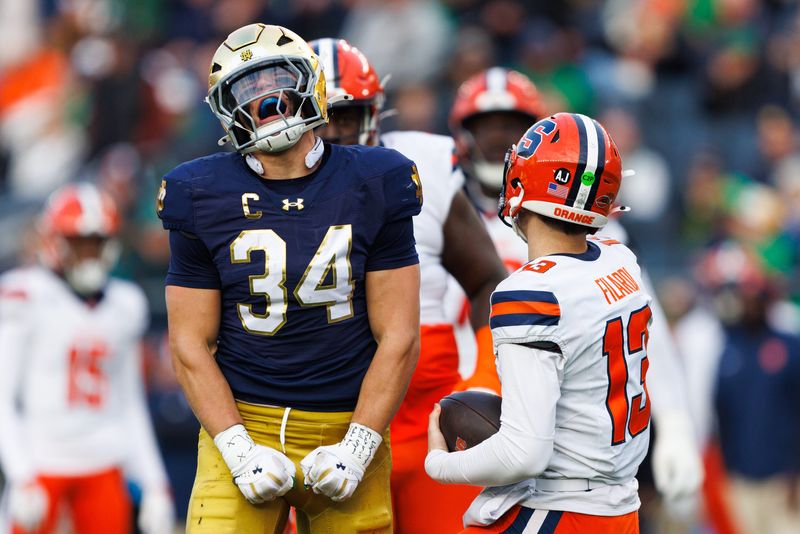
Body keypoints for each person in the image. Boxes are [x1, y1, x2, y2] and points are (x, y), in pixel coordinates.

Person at [158, 24, 421, 533]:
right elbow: (189, 342)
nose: (269, 100)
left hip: (350, 421)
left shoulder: (377, 179)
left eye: (277, 79)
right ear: (225, 110)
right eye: (248, 91)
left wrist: (359, 445)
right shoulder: (198, 191)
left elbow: (400, 335)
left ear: (311, 83)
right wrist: (237, 450)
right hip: (242, 420)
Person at [448, 68, 703, 514]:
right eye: (485, 127)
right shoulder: (439, 218)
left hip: (560, 452)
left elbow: (646, 327)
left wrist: (677, 421)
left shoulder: (601, 242)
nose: (496, 140)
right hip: (479, 413)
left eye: (509, 128)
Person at [309, 38, 508, 534]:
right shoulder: (264, 191)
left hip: (426, 422)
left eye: (347, 115)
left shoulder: (420, 166)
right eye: (323, 115)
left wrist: (484, 375)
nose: (334, 131)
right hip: (321, 424)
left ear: (373, 114)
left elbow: (488, 281)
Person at [426, 112, 653, 532]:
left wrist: (440, 465)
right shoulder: (621, 260)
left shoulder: (530, 292)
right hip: (620, 506)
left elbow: (523, 453)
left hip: (560, 509)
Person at [0, 183, 173, 534]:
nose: (89, 253)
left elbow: (129, 403)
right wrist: (19, 474)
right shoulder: (25, 295)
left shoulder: (126, 303)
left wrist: (155, 482)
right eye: (79, 242)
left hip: (104, 462)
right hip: (42, 460)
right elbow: (2, 396)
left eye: (96, 242)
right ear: (55, 241)